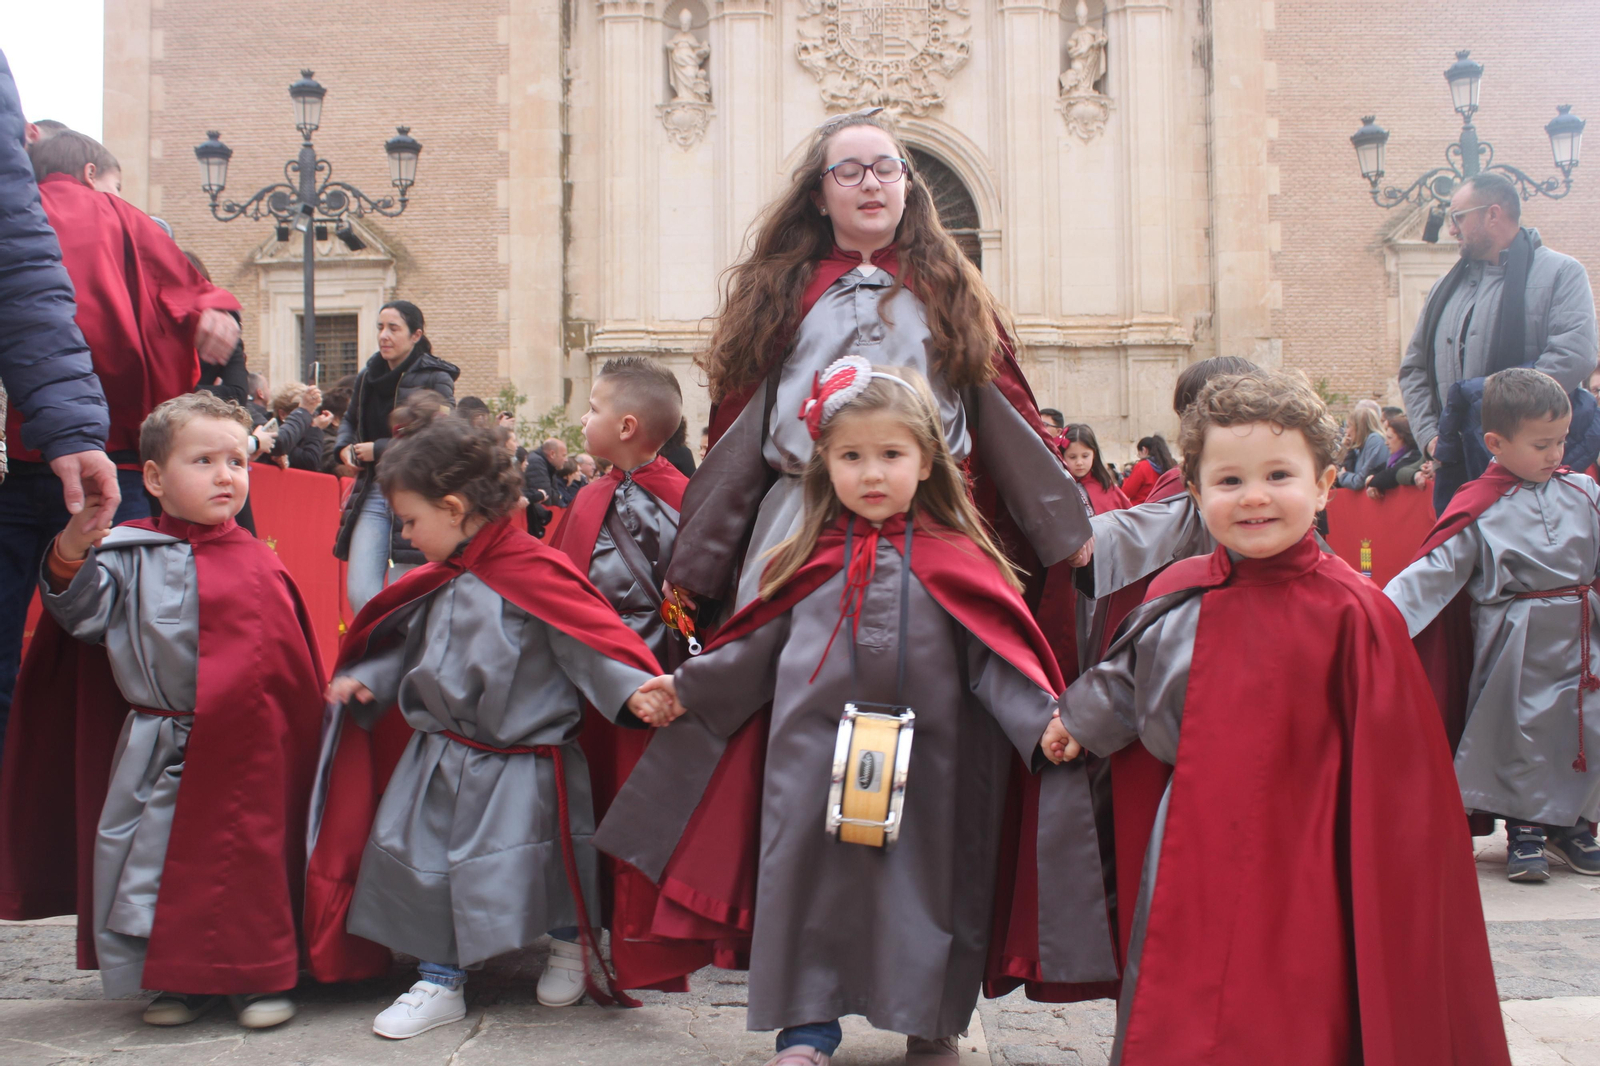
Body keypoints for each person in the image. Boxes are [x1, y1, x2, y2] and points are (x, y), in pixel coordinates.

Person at [653, 109, 1097, 1003]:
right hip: (797, 535)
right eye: (847, 170)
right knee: (795, 756)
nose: (868, 183)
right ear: (819, 193)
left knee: (943, 760)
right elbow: (738, 434)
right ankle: (799, 990)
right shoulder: (782, 294)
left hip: (937, 533)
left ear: (907, 185)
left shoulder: (949, 288)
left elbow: (1003, 410)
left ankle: (931, 996)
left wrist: (1065, 532)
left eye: (884, 168)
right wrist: (699, 567)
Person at [597, 362, 1115, 1066]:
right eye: (851, 457)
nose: (872, 473)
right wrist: (687, 687)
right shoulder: (801, 558)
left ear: (927, 460)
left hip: (938, 764)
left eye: (891, 455)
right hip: (809, 760)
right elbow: (753, 651)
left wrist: (1042, 722)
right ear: (825, 463)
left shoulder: (964, 561)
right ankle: (805, 1026)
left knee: (931, 893)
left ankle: (930, 1021)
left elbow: (999, 662)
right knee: (806, 886)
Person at [1057, 369, 1509, 1065]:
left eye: (1279, 474)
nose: (1255, 497)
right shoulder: (1181, 594)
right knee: (1182, 997)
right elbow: (1131, 678)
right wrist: (1076, 721)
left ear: (1325, 485)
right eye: (1229, 481)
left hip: (1313, 856)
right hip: (1191, 848)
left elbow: (1400, 783)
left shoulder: (1355, 615)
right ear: (1197, 489)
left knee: (1297, 1006)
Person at [302, 407, 667, 1037]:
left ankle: (567, 943)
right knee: (426, 867)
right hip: (437, 756)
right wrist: (373, 678)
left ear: (452, 507)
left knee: (544, 866)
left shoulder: (535, 574)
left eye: (412, 521)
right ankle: (439, 978)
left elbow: (587, 645)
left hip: (525, 762)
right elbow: (401, 643)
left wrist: (633, 692)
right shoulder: (434, 578)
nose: (408, 536)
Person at [0, 392, 325, 1028]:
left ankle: (255, 978)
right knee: (151, 863)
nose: (225, 474)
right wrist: (73, 544)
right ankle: (177, 982)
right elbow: (80, 615)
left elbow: (289, 675)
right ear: (153, 477)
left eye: (236, 460)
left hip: (247, 752)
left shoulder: (262, 562)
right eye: (202, 460)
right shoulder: (125, 553)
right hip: (157, 744)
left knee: (245, 863)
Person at [2, 113, 239, 748]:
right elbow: (196, 297)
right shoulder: (125, 221)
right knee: (128, 635)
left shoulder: (16, 216)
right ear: (89, 172)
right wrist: (216, 309)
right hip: (119, 460)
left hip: (22, 456)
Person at [1386, 368, 1600, 882]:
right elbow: (1433, 574)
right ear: (1496, 444)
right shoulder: (1479, 507)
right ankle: (1524, 828)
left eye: (1562, 440)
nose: (1555, 454)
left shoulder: (1585, 494)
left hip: (1582, 631)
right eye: (1541, 443)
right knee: (1521, 728)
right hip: (1515, 638)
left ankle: (1573, 825)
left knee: (1584, 725)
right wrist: (1375, 617)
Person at [549, 356, 702, 993]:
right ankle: (578, 937)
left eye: (592, 408)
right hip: (592, 683)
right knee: (590, 805)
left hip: (662, 687)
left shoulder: (689, 500)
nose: (583, 419)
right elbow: (557, 586)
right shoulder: (586, 498)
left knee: (649, 809)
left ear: (628, 425)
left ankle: (646, 941)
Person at [1399, 172, 1597, 511]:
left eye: (1458, 216)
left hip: (1528, 471)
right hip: (1456, 469)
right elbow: (1413, 370)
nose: (1451, 229)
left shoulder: (1563, 272)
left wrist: (1493, 416)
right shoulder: (1442, 289)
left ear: (1492, 214)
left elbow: (1574, 354)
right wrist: (1433, 438)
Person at [333, 300, 458, 613]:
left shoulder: (436, 376)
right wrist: (344, 447)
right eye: (380, 328)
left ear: (416, 335)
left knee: (408, 596)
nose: (384, 335)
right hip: (373, 491)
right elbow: (349, 420)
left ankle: (407, 660)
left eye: (393, 328)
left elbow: (439, 434)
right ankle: (383, 655)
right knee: (360, 593)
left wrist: (379, 449)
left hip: (418, 493)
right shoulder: (367, 376)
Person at [1061, 424, 1129, 516]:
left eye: (1085, 456)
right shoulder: (1057, 488)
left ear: (1094, 454)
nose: (1079, 462)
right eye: (1072, 457)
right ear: (1062, 456)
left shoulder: (1107, 488)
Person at [1363, 411, 1425, 498]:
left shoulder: (1414, 456)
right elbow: (1374, 471)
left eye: (1390, 438)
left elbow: (1392, 475)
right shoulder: (1392, 460)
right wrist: (1372, 482)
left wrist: (1371, 481)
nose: (1386, 443)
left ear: (1403, 438)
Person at [266, 382, 325, 472]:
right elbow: (311, 461)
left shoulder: (308, 432)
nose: (311, 417)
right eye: (305, 412)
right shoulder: (278, 439)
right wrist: (315, 429)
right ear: (282, 414)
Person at [1334, 400, 1386, 489]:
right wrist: (1347, 450)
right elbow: (1350, 473)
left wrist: (1343, 476)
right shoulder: (1359, 446)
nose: (1346, 432)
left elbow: (1360, 481)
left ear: (1359, 427)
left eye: (1348, 426)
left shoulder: (1374, 440)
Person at [1118, 435, 1174, 505]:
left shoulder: (1142, 466)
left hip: (1141, 508)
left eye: (1139, 454)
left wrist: (1126, 478)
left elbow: (1127, 492)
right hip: (1160, 507)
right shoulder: (1167, 465)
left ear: (1144, 450)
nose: (1139, 457)